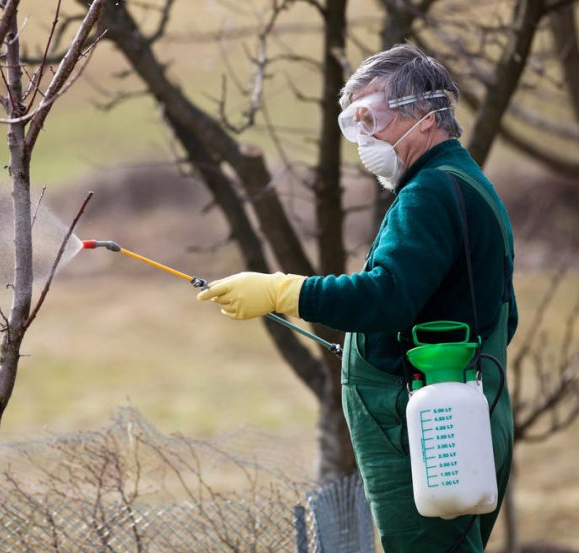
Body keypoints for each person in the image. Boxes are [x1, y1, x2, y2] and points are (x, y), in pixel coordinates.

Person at [197, 43, 517, 553]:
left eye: (374, 118)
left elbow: (385, 297)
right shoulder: (462, 182)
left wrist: (283, 290)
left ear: (427, 117)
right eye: (356, 122)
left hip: (426, 430)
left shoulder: (430, 192)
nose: (365, 138)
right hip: (457, 414)